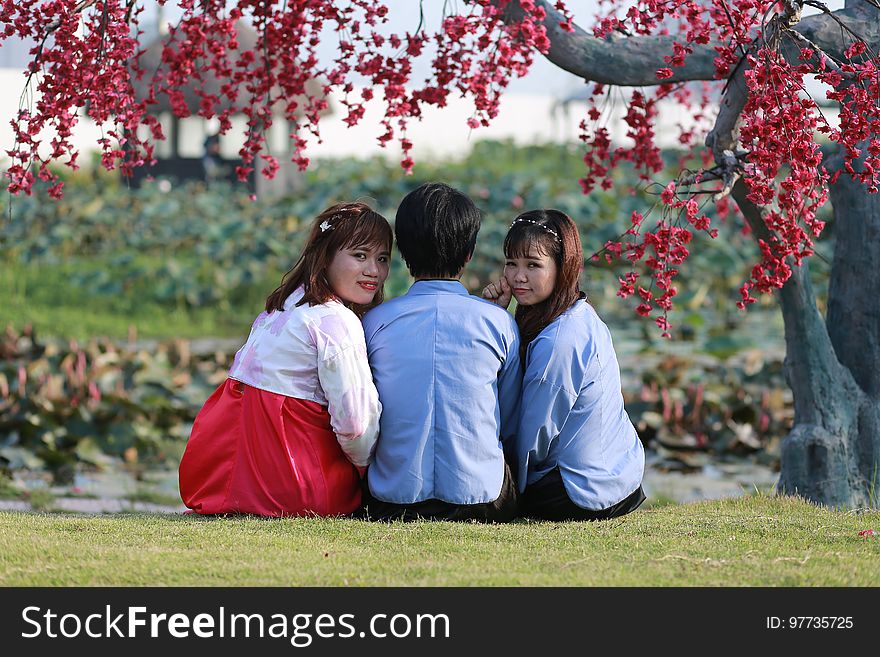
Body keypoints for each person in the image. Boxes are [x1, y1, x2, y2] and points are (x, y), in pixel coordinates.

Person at [178, 202, 392, 517]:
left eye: (382, 258)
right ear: (325, 255)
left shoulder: (280, 308)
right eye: (360, 256)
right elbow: (356, 427)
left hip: (235, 483)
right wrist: (370, 469)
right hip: (298, 487)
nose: (373, 271)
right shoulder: (336, 321)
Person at [360, 182, 522, 522]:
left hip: (391, 500)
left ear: (402, 252)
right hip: (482, 500)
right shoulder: (500, 324)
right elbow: (507, 420)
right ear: (468, 253)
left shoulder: (372, 323)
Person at [482, 209, 646, 521]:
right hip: (620, 472)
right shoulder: (579, 312)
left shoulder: (560, 340)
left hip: (582, 489)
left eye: (533, 265)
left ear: (563, 267)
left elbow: (532, 442)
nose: (518, 276)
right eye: (511, 263)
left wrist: (504, 486)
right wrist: (499, 317)